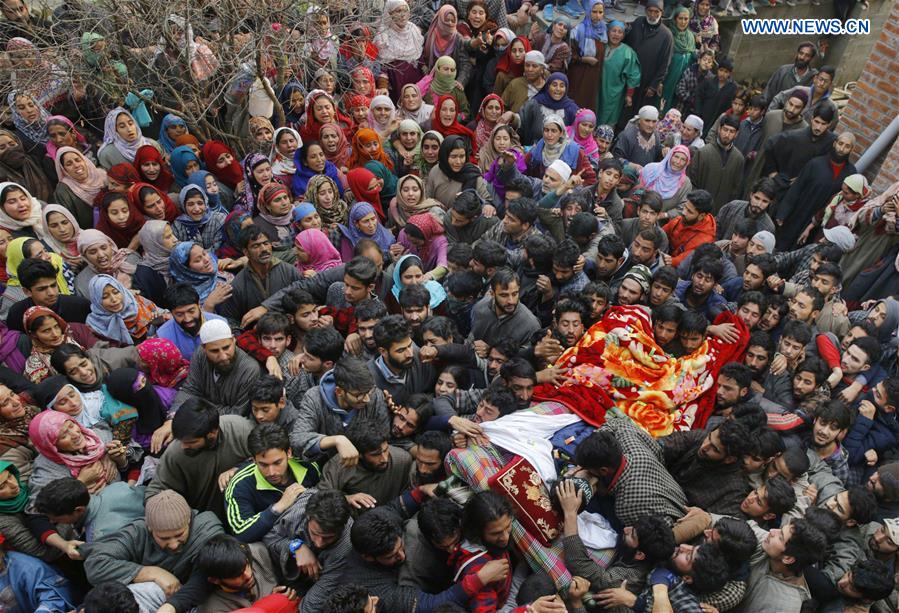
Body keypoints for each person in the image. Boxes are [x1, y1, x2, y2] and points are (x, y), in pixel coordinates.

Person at [83, 489, 225, 613]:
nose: (174, 544)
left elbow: (205, 577)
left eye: (179, 535)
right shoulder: (138, 532)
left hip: (193, 600)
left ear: (188, 520)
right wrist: (150, 573)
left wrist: (171, 607)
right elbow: (95, 564)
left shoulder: (206, 529)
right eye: (164, 538)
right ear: (150, 528)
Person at [146, 397, 254, 520]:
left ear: (212, 434)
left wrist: (239, 469)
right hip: (196, 520)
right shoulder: (176, 453)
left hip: (246, 513)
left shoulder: (242, 431)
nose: (184, 446)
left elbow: (270, 459)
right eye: (181, 440)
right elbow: (154, 492)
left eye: (191, 442)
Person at [224, 423, 320, 543]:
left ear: (289, 453)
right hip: (270, 546)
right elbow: (241, 533)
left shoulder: (309, 467)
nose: (271, 472)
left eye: (277, 462)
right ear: (253, 460)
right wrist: (277, 508)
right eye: (263, 465)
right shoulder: (239, 485)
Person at [170, 319, 261, 417]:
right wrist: (172, 417)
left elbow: (238, 412)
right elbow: (190, 390)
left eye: (226, 348)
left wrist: (199, 411)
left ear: (233, 340)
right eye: (214, 351)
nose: (223, 356)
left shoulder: (249, 369)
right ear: (204, 348)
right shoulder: (200, 355)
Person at [219, 226, 302, 326]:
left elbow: (302, 303)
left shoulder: (289, 271)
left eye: (266, 243)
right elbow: (231, 320)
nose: (264, 249)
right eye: (256, 246)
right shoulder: (238, 284)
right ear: (246, 252)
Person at [688, 114, 745, 213]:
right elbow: (692, 181)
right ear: (719, 129)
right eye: (725, 130)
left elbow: (736, 189)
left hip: (721, 213)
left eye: (731, 131)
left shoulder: (738, 159)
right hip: (698, 210)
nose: (727, 135)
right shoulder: (703, 153)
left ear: (737, 134)